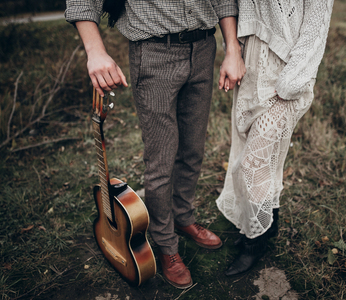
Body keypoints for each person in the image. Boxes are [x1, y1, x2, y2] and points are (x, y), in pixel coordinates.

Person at [65, 0, 245, 289]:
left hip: (203, 48)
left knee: (192, 150)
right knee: (161, 159)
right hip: (153, 52)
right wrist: (95, 52)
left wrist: (232, 48)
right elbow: (81, 2)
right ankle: (166, 245)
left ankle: (183, 217)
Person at [216, 0, 334, 276]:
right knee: (259, 155)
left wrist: (290, 83)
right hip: (252, 66)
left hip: (287, 74)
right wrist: (235, 52)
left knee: (254, 163)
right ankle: (268, 224)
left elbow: (315, 29)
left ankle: (254, 244)